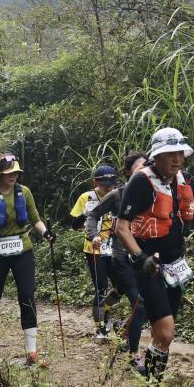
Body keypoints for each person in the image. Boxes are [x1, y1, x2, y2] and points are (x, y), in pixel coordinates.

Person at [115, 127, 194, 387]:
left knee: (163, 336)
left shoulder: (185, 180)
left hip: (175, 266)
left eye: (180, 153)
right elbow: (122, 227)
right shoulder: (141, 182)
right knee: (166, 331)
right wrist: (140, 257)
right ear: (157, 156)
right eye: (171, 153)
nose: (177, 158)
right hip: (149, 265)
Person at [0, 153, 54, 366]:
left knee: (27, 296)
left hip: (22, 249)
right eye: (9, 173)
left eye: (16, 172)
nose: (13, 176)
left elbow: (35, 218)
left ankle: (32, 352)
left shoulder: (23, 192)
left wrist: (45, 232)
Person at [86, 151, 148, 373]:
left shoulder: (155, 192)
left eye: (147, 166)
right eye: (139, 168)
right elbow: (92, 215)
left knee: (146, 304)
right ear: (128, 173)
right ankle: (134, 355)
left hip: (146, 258)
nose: (145, 171)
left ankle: (124, 329)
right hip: (122, 257)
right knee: (139, 304)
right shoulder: (118, 195)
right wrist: (93, 235)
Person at [69, 164, 119, 340]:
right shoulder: (86, 197)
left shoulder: (118, 195)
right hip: (94, 249)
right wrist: (85, 214)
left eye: (111, 183)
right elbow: (74, 225)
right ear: (95, 182)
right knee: (101, 287)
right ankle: (100, 327)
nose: (108, 187)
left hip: (115, 247)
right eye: (104, 183)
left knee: (121, 286)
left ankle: (105, 311)